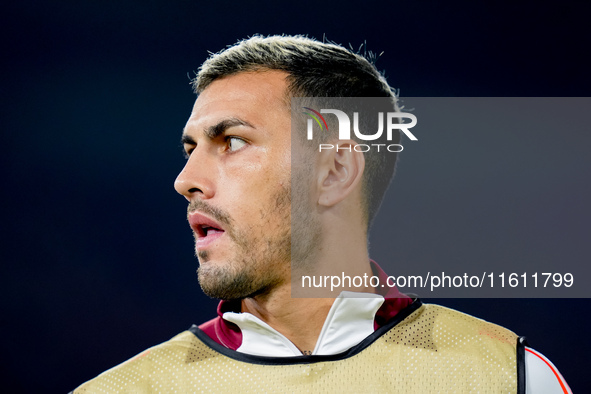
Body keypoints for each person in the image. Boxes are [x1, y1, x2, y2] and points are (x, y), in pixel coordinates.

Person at [73, 35, 571, 393]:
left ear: (334, 171)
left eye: (233, 141)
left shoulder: (509, 377)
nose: (186, 181)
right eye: (190, 149)